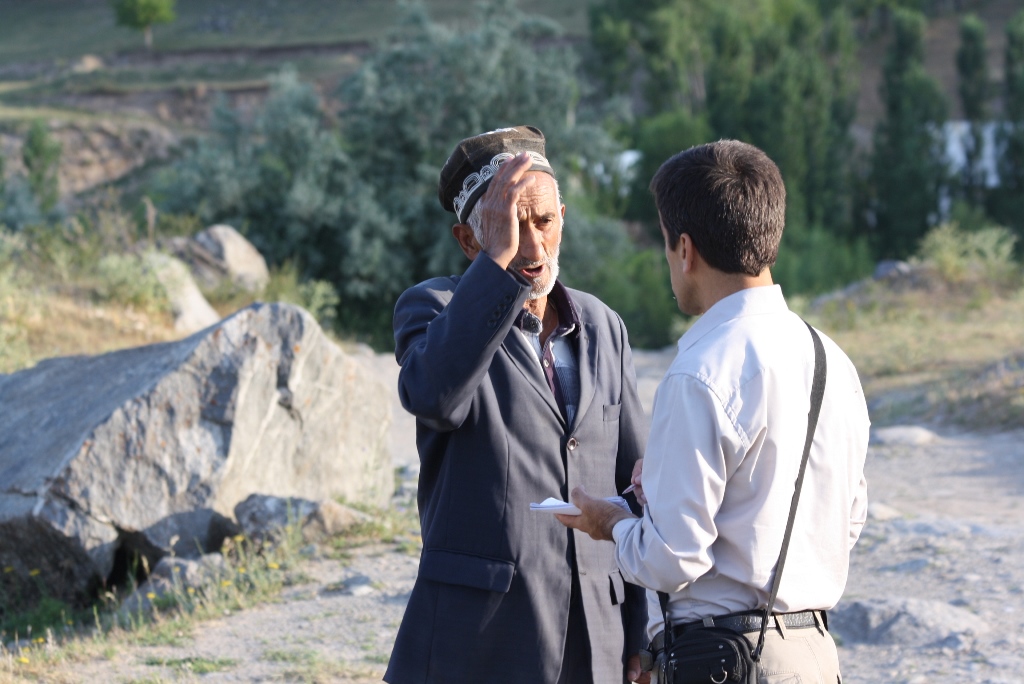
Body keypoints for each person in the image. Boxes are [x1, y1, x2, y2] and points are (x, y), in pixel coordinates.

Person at [557, 140, 869, 683]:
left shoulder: (701, 371)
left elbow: (673, 559)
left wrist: (613, 524)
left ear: (685, 249)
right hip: (814, 653)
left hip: (729, 659)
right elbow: (849, 517)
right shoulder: (831, 359)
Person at [384, 126, 648, 684]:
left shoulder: (605, 326)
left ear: (563, 220)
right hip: (482, 644)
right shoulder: (432, 309)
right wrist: (495, 268)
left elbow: (638, 485)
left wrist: (641, 632)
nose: (532, 247)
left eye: (544, 222)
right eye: (508, 226)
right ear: (469, 241)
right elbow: (434, 397)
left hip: (597, 637)